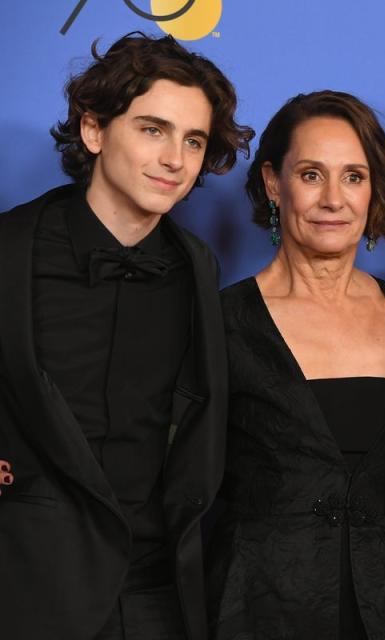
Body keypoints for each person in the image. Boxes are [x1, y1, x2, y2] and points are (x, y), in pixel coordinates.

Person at [0, 33, 253, 639]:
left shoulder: (197, 267)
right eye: (152, 129)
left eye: (193, 141)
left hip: (158, 598)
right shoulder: (10, 250)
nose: (175, 159)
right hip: (28, 586)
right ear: (93, 131)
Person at [205, 90, 385, 640]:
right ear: (273, 183)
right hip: (253, 610)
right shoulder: (219, 322)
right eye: (311, 175)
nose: (334, 198)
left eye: (354, 176)